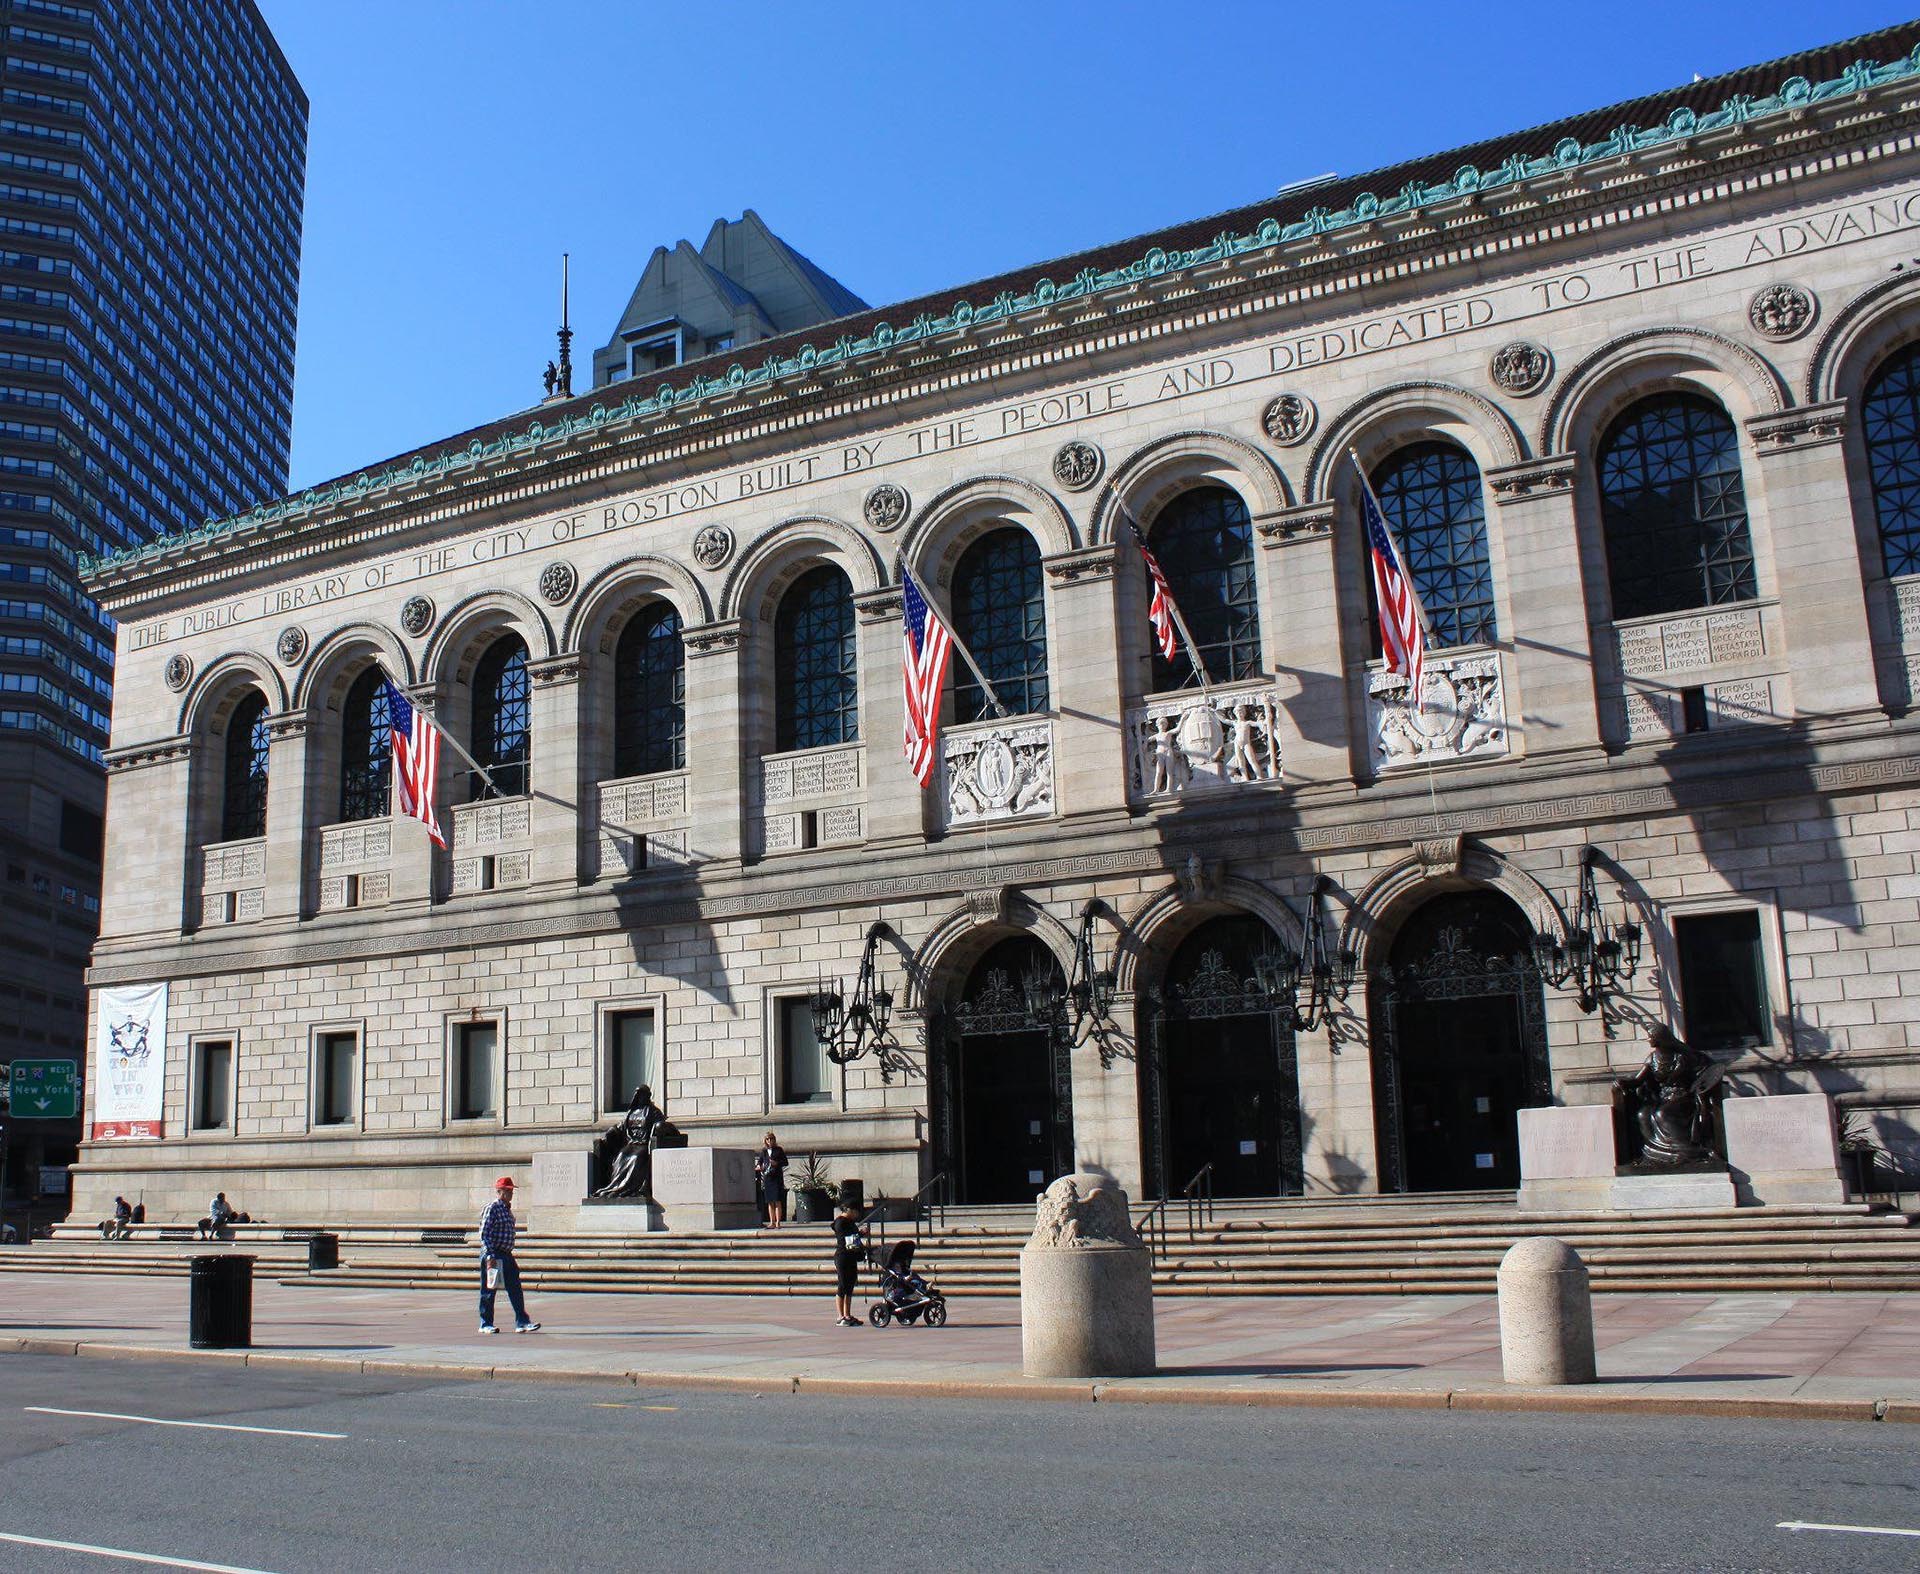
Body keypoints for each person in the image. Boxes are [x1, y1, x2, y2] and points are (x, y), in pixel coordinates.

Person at [478, 1175, 539, 1335]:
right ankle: (485, 1323)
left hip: (506, 1254)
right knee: (489, 1290)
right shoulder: (492, 1208)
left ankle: (522, 1322)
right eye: (508, 1191)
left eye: (511, 1190)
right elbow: (484, 1233)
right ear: (500, 1191)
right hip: (494, 1254)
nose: (511, 1193)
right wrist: (490, 1255)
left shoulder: (507, 1209)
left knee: (515, 1288)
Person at [831, 1199, 866, 1327]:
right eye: (856, 1211)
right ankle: (840, 1316)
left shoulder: (850, 1222)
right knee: (843, 1285)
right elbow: (846, 1239)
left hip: (851, 1255)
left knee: (850, 1285)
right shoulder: (840, 1222)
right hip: (843, 1256)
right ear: (849, 1210)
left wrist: (860, 1234)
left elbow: (853, 1237)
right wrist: (858, 1234)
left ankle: (847, 1314)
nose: (857, 1214)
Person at [754, 1132, 789, 1229]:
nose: (769, 1141)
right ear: (765, 1141)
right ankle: (772, 1222)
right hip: (768, 1178)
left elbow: (785, 1162)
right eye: (767, 1139)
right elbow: (759, 1162)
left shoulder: (779, 1150)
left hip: (776, 1178)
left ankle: (778, 1222)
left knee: (777, 1200)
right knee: (770, 1201)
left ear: (774, 1140)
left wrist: (776, 1163)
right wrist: (759, 1166)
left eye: (771, 1139)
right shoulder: (764, 1151)